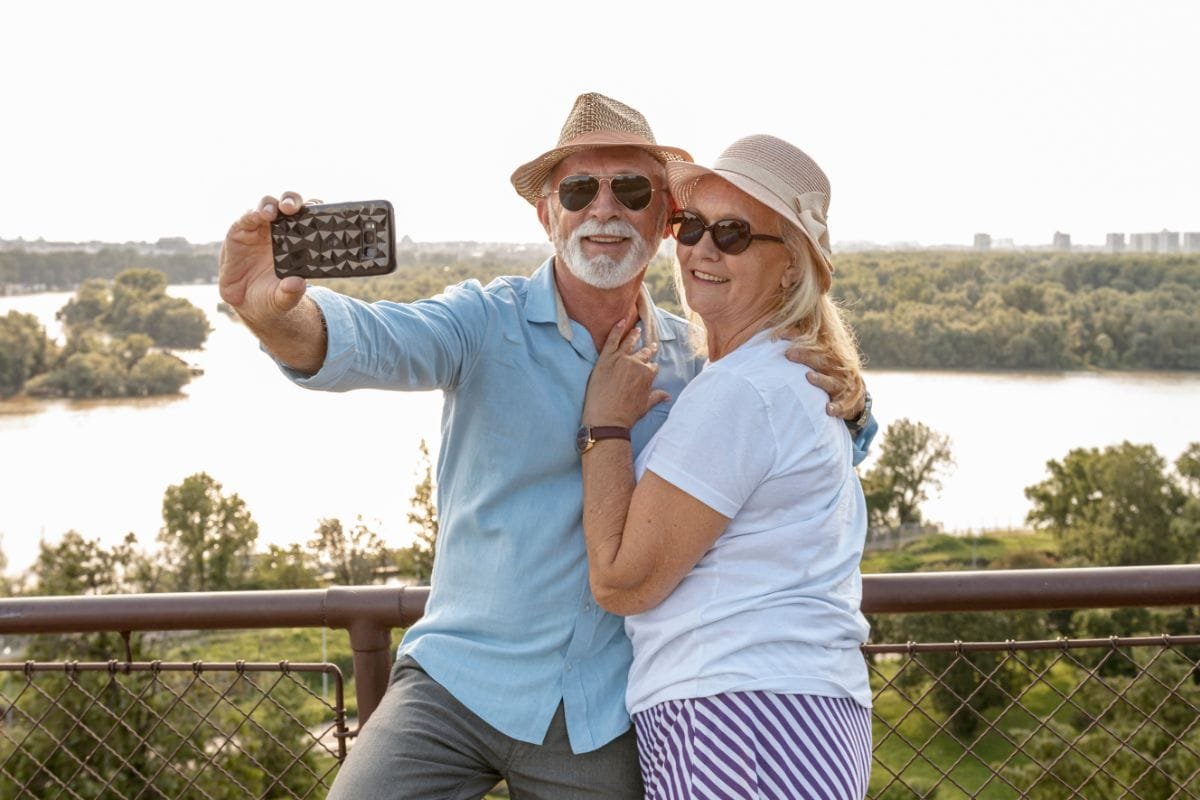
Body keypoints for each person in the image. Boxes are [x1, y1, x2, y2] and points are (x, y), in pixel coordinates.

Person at [218, 94, 874, 799]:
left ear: (661, 222)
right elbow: (368, 342)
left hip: (600, 710)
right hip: (458, 683)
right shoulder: (483, 323)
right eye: (578, 190)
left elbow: (796, 437)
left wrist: (855, 402)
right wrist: (271, 317)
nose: (603, 210)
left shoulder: (697, 361)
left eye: (630, 191)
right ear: (546, 214)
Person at [579, 134, 873, 799]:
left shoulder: (744, 391)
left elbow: (623, 582)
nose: (702, 249)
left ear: (791, 266)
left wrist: (605, 427)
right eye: (690, 226)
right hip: (797, 714)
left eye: (735, 233)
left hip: (735, 714)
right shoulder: (790, 375)